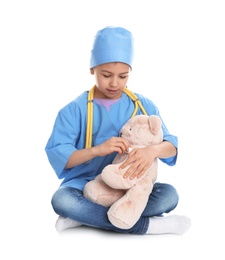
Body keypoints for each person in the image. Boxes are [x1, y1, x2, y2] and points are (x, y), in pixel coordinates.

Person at [45, 26, 191, 235]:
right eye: (106, 75)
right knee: (62, 200)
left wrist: (153, 151)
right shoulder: (73, 111)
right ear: (92, 69)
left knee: (169, 196)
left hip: (130, 189)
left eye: (123, 76)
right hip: (84, 188)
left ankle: (85, 217)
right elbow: (61, 156)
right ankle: (149, 226)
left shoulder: (144, 106)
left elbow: (172, 147)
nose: (115, 83)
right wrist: (96, 150)